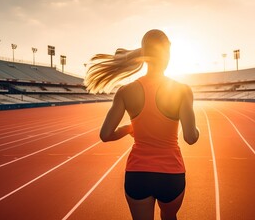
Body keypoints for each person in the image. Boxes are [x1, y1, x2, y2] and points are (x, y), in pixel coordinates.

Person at [84, 29, 199, 220]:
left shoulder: (125, 91)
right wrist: (197, 129)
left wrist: (128, 128)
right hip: (171, 175)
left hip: (138, 174)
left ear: (145, 54)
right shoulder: (182, 90)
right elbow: (190, 137)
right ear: (168, 54)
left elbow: (105, 135)